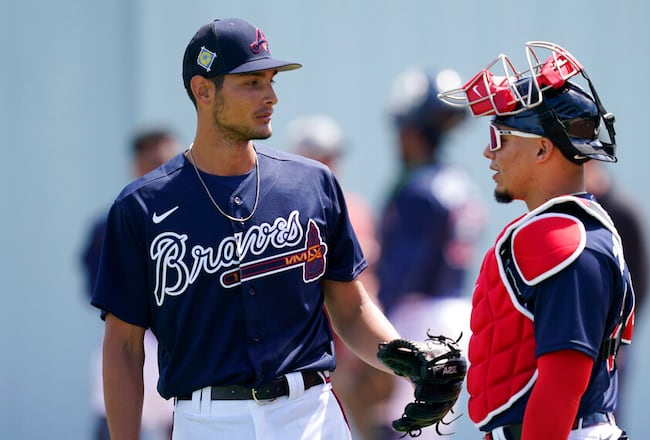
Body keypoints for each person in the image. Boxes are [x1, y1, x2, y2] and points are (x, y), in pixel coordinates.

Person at [90, 18, 407, 440]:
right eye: (251, 82)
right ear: (204, 90)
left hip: (310, 413)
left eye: (271, 80)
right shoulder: (142, 207)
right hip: (208, 420)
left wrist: (404, 357)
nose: (271, 96)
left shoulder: (313, 183)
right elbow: (124, 348)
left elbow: (349, 308)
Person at [438, 41, 636, 439]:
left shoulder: (566, 241)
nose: (487, 153)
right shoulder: (563, 230)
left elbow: (562, 385)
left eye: (500, 138)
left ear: (543, 148)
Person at [376, 67, 487, 439]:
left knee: (398, 429)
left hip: (417, 316)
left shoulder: (420, 189)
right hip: (456, 315)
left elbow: (404, 270)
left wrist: (378, 327)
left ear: (413, 129)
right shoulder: (458, 181)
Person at [285, 115, 393, 440]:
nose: (328, 164)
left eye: (332, 156)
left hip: (357, 335)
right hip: (312, 350)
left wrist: (367, 344)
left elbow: (366, 282)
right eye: (319, 156)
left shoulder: (353, 207)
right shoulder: (283, 215)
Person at [80, 128, 181, 440]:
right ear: (137, 166)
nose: (164, 170)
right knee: (111, 424)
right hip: (128, 337)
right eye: (155, 161)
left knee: (179, 428)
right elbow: (97, 290)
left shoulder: (191, 219)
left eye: (171, 161)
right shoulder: (115, 220)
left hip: (178, 343)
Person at [584, 159, 650, 422]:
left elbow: (642, 280)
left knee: (606, 418)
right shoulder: (576, 209)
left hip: (612, 340)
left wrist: (621, 338)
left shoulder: (622, 211)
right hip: (576, 336)